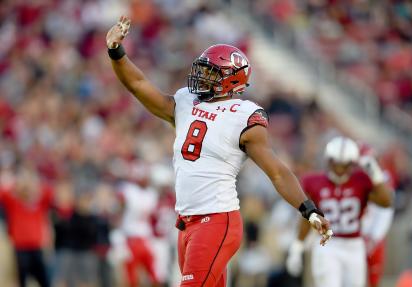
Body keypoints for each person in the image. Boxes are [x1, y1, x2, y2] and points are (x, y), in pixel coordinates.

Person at [106, 16, 333, 287]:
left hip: (216, 221)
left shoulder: (244, 116)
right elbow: (138, 85)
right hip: (186, 224)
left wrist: (308, 209)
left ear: (231, 79)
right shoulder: (185, 102)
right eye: (203, 70)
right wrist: (116, 52)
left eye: (211, 72)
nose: (202, 77)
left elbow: (277, 172)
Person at [286, 136, 393, 287]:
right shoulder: (313, 181)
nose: (340, 169)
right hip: (327, 244)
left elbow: (386, 201)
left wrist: (375, 174)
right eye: (336, 164)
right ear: (329, 161)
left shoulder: (361, 180)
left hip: (354, 245)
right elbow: (307, 216)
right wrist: (298, 246)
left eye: (344, 165)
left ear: (352, 164)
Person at [0, 167, 53, 287]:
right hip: (20, 247)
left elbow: (49, 192)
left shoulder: (39, 204)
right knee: (22, 278)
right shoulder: (14, 203)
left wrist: (34, 182)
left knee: (43, 278)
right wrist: (18, 184)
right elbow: (2, 193)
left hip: (36, 246)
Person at [359, 144, 395, 287]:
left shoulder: (384, 179)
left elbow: (386, 211)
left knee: (373, 279)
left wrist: (375, 236)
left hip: (373, 235)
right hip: (355, 235)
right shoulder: (353, 179)